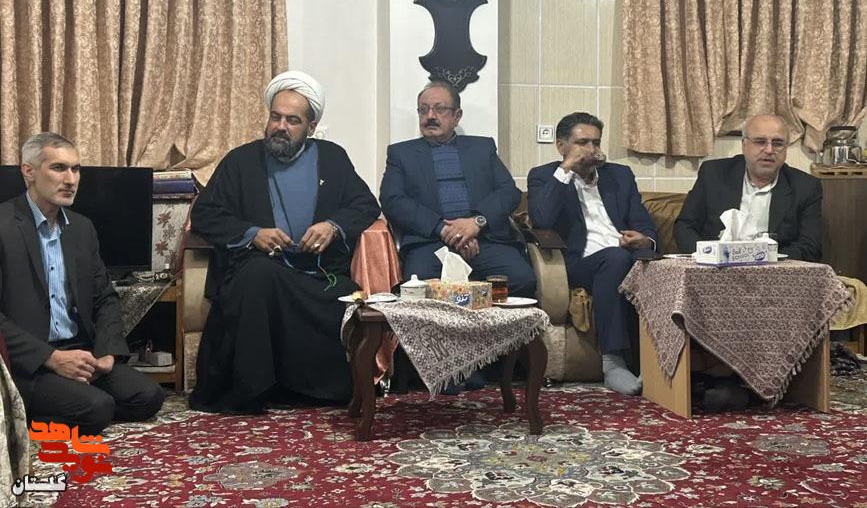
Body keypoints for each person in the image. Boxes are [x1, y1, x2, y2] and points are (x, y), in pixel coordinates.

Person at [189, 71, 380, 413]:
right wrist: (252, 234)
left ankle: (315, 391)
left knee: (345, 293)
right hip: (259, 267)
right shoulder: (241, 161)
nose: (280, 127)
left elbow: (365, 205)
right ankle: (253, 390)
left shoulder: (332, 158)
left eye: (293, 120)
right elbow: (205, 214)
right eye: (275, 117)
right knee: (259, 276)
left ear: (311, 126)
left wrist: (332, 226)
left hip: (317, 273)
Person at [0, 133, 164, 434]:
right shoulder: (4, 225)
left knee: (149, 396)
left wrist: (107, 352)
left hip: (80, 351)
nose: (71, 179)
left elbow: (105, 298)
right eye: (59, 168)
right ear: (29, 171)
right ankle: (25, 410)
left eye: (76, 169)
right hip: (29, 362)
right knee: (97, 409)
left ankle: (70, 401)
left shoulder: (81, 228)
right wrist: (51, 358)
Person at [527, 112, 657, 396]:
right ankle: (613, 364)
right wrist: (566, 169)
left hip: (626, 257)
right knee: (615, 258)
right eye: (582, 142)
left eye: (595, 142)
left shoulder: (619, 175)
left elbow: (643, 223)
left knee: (654, 266)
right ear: (562, 146)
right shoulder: (544, 176)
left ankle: (669, 366)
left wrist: (645, 240)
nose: (591, 149)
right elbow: (542, 220)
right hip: (580, 264)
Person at [380, 81, 536, 298]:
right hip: (431, 243)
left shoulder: (482, 148)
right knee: (419, 289)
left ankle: (485, 322)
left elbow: (508, 191)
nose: (430, 116)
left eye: (440, 109)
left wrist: (476, 222)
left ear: (457, 115)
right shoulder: (401, 154)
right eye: (423, 110)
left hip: (485, 240)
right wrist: (443, 229)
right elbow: (392, 200)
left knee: (522, 279)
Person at [674, 113, 822, 261]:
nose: (769, 150)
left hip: (773, 269)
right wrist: (708, 256)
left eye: (777, 143)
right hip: (717, 268)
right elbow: (685, 226)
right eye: (760, 142)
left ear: (785, 149)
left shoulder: (805, 187)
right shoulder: (713, 174)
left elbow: (810, 247)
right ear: (744, 145)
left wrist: (762, 259)